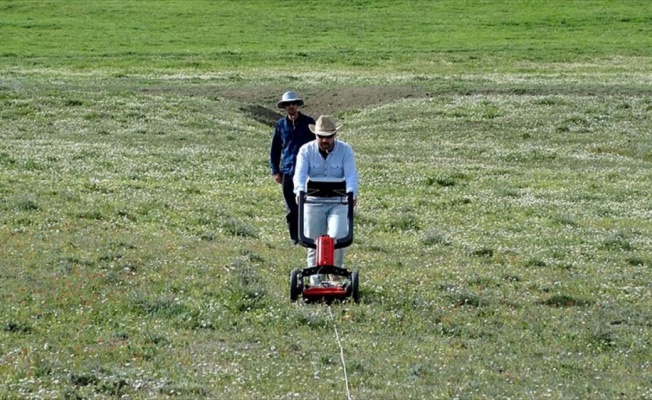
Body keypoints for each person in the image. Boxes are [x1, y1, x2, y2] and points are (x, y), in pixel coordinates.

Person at [293, 115, 358, 273]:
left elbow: (351, 175)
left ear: (335, 135)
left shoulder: (345, 150)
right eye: (321, 137)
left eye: (328, 137)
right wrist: (299, 191)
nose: (324, 140)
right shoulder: (306, 151)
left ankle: (335, 275)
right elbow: (299, 175)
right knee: (313, 242)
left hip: (338, 202)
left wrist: (352, 193)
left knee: (336, 238)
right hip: (313, 202)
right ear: (315, 135)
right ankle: (315, 278)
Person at [269, 91, 316, 245]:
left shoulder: (309, 122)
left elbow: (317, 146)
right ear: (284, 107)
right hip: (288, 171)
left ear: (297, 105)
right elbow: (275, 149)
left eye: (293, 103)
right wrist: (275, 170)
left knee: (307, 204)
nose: (291, 106)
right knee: (291, 207)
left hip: (307, 171)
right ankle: (294, 238)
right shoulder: (280, 125)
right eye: (287, 104)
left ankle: (308, 235)